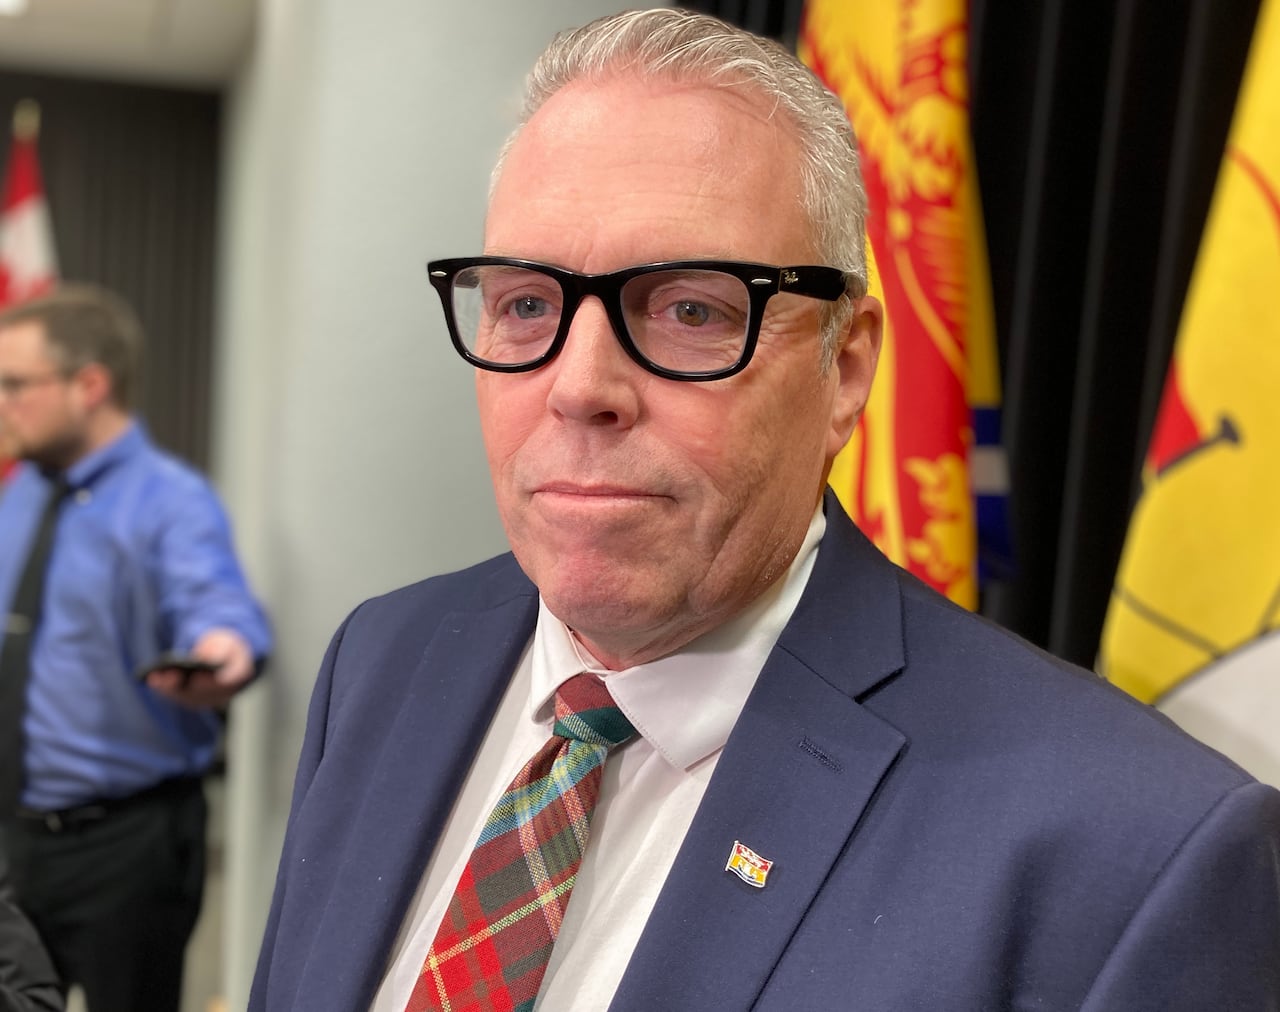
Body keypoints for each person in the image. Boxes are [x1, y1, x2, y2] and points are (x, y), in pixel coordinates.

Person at [251, 9, 1280, 1011]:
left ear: (845, 367)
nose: (578, 385)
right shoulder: (382, 659)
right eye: (527, 303)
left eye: (691, 308)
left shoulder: (1130, 854)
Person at [0, 283, 271, 1012]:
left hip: (127, 845)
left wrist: (221, 655)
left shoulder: (169, 500)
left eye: (15, 384)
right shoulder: (20, 493)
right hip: (13, 840)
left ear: (89, 385)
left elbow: (217, 607)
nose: (2, 402)